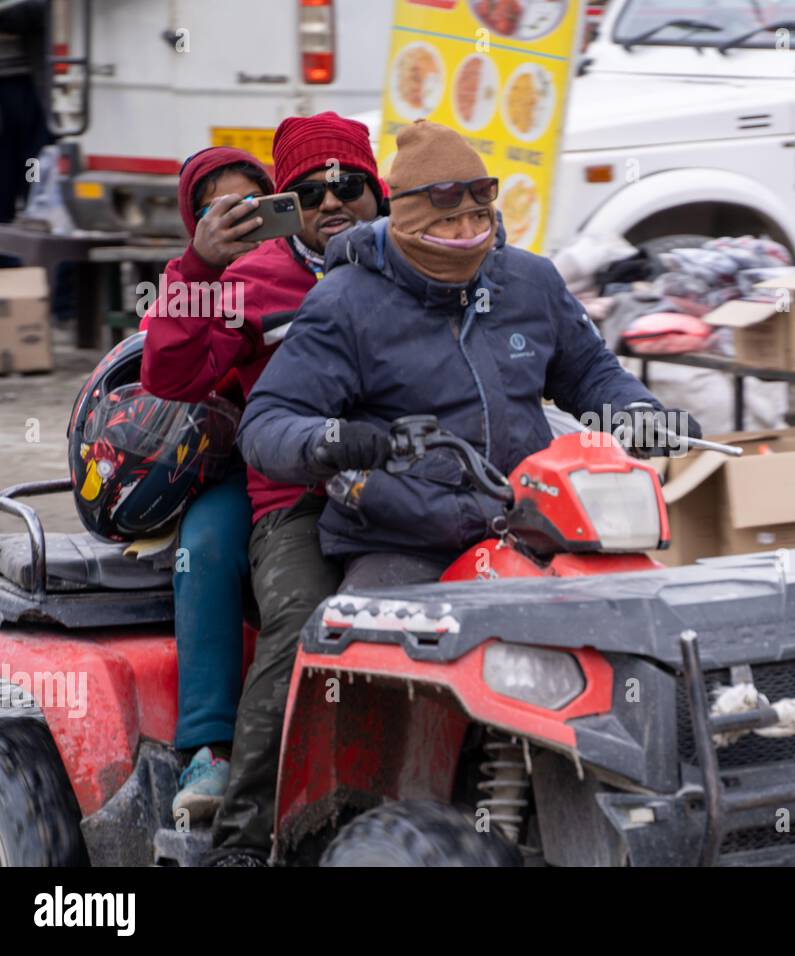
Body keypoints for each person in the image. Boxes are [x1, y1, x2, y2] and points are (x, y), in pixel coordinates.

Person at [238, 118, 699, 596]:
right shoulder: (345, 302)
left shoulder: (530, 281)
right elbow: (267, 423)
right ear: (408, 222)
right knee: (364, 643)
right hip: (401, 542)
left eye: (479, 216)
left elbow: (589, 373)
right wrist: (330, 440)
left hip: (532, 523)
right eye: (447, 221)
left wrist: (636, 413)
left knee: (638, 613)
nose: (467, 233)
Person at [136, 112, 385, 865]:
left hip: (412, 489)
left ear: (380, 191)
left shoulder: (415, 260)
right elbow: (170, 376)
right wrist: (194, 270)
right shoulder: (245, 280)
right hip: (291, 492)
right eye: (308, 194)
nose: (332, 203)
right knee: (297, 611)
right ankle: (239, 835)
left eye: (348, 185)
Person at [137, 146, 272, 821]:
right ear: (196, 222)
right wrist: (201, 268)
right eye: (222, 211)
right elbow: (166, 370)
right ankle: (209, 747)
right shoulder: (194, 282)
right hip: (248, 462)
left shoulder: (325, 260)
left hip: (349, 452)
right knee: (207, 546)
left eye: (257, 203)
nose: (244, 222)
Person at [0, 0, 49, 267]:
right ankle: (7, 293)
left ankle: (47, 294)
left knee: (39, 191)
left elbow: (48, 10)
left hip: (36, 92)